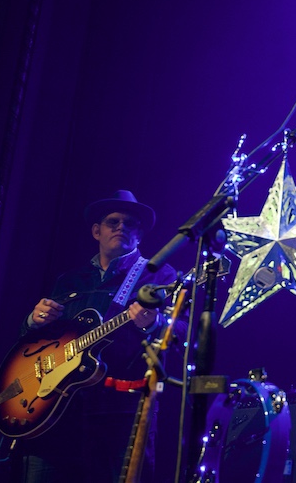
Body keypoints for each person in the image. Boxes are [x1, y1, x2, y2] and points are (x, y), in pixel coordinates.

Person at [11, 190, 183, 483]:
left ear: (139, 234)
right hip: (56, 417)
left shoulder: (160, 277)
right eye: (112, 221)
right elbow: (34, 344)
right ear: (96, 231)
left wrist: (153, 323)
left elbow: (182, 334)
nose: (121, 227)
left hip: (120, 419)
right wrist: (33, 322)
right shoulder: (68, 280)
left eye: (130, 223)